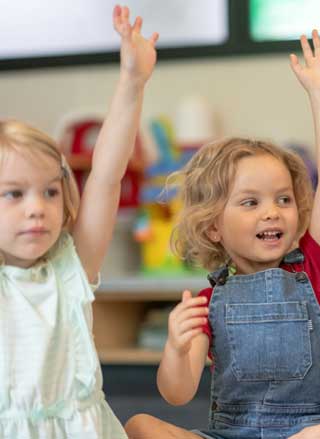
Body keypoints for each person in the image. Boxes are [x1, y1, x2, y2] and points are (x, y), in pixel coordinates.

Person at [124, 30, 320, 439]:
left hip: (304, 431)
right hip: (228, 434)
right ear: (214, 225)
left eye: (283, 199)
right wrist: (176, 346)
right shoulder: (209, 302)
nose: (272, 213)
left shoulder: (315, 269)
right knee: (140, 426)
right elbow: (177, 394)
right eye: (250, 203)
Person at [0, 5, 157, 438]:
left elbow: (107, 174)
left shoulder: (72, 266)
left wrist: (132, 82)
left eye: (50, 191)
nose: (37, 207)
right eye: (14, 193)